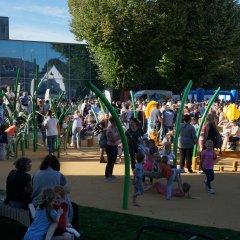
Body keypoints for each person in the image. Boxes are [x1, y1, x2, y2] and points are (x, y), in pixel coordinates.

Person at [105, 117, 120, 182]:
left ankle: (110, 174)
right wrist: (117, 137)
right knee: (110, 161)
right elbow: (113, 139)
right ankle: (107, 175)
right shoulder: (109, 129)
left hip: (115, 146)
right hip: (109, 146)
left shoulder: (115, 128)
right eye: (115, 122)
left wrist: (117, 137)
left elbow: (119, 136)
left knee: (113, 161)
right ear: (113, 122)